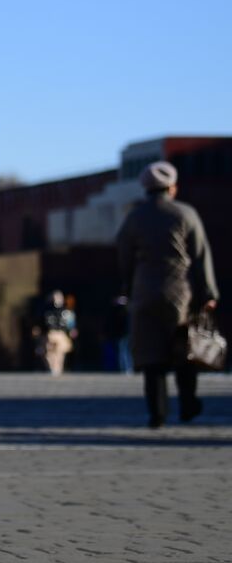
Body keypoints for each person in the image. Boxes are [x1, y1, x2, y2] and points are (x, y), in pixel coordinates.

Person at [116, 160, 220, 428]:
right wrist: (208, 291)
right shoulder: (185, 214)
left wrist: (128, 286)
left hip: (144, 289)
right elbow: (200, 254)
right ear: (171, 187)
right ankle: (187, 404)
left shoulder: (134, 217)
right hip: (180, 289)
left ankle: (157, 413)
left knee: (151, 357)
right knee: (183, 349)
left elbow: (124, 256)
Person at [34, 290, 77, 375]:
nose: (56, 300)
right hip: (49, 333)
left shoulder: (66, 311)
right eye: (54, 297)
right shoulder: (46, 309)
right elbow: (40, 321)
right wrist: (37, 329)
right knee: (48, 352)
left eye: (58, 297)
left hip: (61, 333)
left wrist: (72, 329)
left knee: (60, 352)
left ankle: (58, 368)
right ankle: (51, 367)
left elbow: (70, 322)